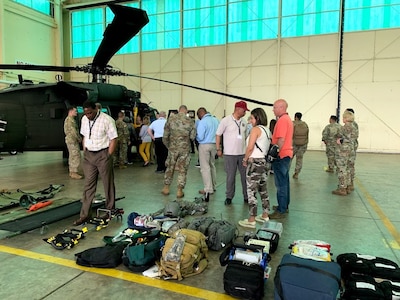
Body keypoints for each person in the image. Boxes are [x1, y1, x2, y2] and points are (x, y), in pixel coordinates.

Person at [73, 100, 118, 226]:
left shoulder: (107, 120)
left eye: (90, 113)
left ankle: (109, 210)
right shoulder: (84, 119)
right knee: (88, 185)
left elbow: (113, 138)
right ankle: (85, 215)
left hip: (103, 154)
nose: (88, 115)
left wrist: (108, 155)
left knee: (107, 183)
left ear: (96, 109)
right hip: (89, 156)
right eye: (86, 113)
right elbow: (84, 136)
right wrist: (85, 149)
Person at [238, 108, 271, 229]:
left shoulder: (256, 130)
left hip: (254, 162)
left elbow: (250, 147)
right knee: (263, 190)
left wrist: (245, 159)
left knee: (251, 191)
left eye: (251, 118)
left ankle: (251, 219)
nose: (250, 120)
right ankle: (265, 214)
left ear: (257, 118)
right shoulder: (267, 130)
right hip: (263, 162)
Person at [216, 100, 249, 205]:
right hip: (230, 154)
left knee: (245, 176)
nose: (245, 113)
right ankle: (229, 196)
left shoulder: (244, 122)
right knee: (230, 176)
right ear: (238, 109)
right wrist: (218, 148)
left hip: (242, 154)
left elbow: (246, 137)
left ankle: (246, 196)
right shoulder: (225, 121)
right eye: (244, 110)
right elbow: (218, 134)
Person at [161, 105, 196, 198]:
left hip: (173, 148)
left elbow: (165, 136)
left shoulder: (171, 119)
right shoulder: (190, 121)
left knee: (169, 167)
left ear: (178, 110)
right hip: (184, 149)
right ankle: (179, 190)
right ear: (186, 111)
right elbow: (192, 137)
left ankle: (166, 188)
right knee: (182, 169)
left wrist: (169, 146)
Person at [269, 99, 293, 219]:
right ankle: (284, 206)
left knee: (281, 184)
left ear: (281, 107)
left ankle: (281, 210)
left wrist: (275, 153)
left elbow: (281, 139)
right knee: (285, 182)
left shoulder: (283, 120)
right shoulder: (287, 119)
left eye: (274, 107)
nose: (273, 109)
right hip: (287, 154)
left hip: (282, 155)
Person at [332, 110, 358, 196]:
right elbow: (352, 138)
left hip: (343, 150)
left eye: (343, 117)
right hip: (351, 149)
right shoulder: (354, 127)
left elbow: (338, 136)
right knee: (348, 168)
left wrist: (341, 140)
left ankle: (342, 188)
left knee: (341, 168)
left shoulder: (344, 128)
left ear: (346, 118)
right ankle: (348, 185)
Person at [196, 107, 219, 197]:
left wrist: (196, 138)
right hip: (214, 145)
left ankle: (208, 189)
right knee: (212, 165)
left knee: (205, 168)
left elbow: (200, 136)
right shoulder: (216, 120)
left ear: (200, 114)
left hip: (204, 145)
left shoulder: (203, 122)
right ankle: (213, 186)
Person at [64, 106, 83, 179]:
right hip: (72, 140)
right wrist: (79, 138)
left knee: (72, 156)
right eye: (75, 111)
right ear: (70, 111)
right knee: (75, 155)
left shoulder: (69, 119)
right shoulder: (70, 120)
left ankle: (72, 171)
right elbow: (73, 132)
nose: (76, 112)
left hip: (70, 140)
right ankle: (74, 172)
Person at [291, 112, 309, 179]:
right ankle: (296, 173)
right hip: (303, 144)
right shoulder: (305, 124)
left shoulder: (292, 123)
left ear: (295, 117)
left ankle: (285, 172)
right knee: (299, 159)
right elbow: (307, 135)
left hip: (294, 144)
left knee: (289, 158)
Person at [346, 108, 358, 192]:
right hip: (353, 147)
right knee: (351, 165)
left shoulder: (348, 126)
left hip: (348, 148)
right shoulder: (355, 124)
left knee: (347, 166)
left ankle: (347, 185)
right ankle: (351, 183)